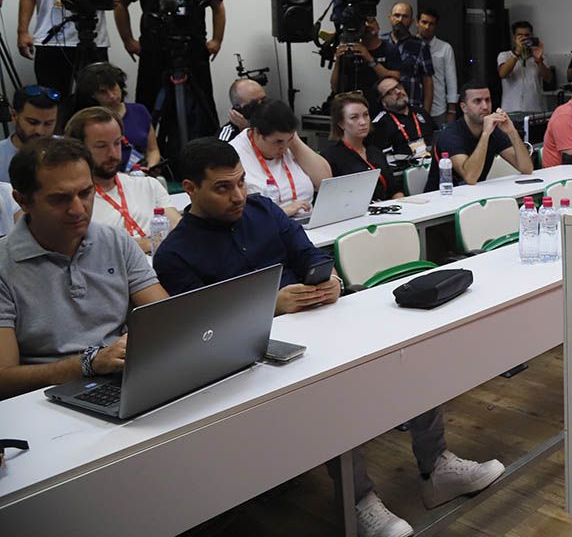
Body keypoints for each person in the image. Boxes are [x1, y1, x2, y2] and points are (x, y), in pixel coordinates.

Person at [154, 138, 504, 536]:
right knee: (336, 391)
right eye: (222, 188)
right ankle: (358, 500)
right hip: (255, 356)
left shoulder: (263, 210)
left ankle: (436, 465)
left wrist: (329, 278)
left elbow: (310, 255)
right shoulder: (175, 254)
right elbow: (204, 328)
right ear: (190, 189)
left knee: (408, 350)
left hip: (316, 317)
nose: (237, 196)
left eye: (240, 183)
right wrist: (273, 305)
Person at [0, 137, 169, 400]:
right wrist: (88, 364)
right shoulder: (4, 265)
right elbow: (4, 377)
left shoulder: (115, 240)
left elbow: (165, 317)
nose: (78, 209)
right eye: (60, 199)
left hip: (119, 377)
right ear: (22, 201)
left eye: (86, 193)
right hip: (43, 398)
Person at [115, 0, 223, 139]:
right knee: (147, 104)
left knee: (203, 107)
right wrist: (127, 40)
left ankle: (204, 155)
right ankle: (146, 156)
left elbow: (218, 6)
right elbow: (120, 4)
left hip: (193, 49)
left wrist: (216, 40)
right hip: (155, 49)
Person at [64, 107, 180, 252]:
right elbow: (91, 250)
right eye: (101, 146)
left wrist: (135, 244)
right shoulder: (74, 201)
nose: (113, 153)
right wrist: (148, 243)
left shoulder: (148, 185)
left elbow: (179, 231)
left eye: (117, 143)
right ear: (79, 149)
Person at [424, 80, 532, 191]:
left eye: (487, 100)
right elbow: (470, 177)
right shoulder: (450, 135)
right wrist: (485, 135)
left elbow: (526, 168)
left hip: (474, 195)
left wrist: (512, 131)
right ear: (464, 107)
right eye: (477, 101)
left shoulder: (494, 131)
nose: (485, 106)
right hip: (441, 200)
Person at [230, 99, 331, 217]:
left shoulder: (291, 145)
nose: (284, 148)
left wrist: (295, 141)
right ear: (256, 133)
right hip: (269, 226)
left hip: (307, 222)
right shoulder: (235, 153)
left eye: (289, 139)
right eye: (278, 142)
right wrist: (282, 212)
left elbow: (325, 182)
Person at [74, 62, 161, 173]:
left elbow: (152, 150)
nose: (111, 95)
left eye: (113, 87)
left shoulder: (140, 110)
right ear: (93, 95)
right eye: (102, 92)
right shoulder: (87, 119)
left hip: (139, 174)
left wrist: (150, 168)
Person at [321, 93, 405, 201]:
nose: (363, 122)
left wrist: (401, 203)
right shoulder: (331, 157)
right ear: (341, 123)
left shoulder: (374, 151)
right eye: (354, 117)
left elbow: (394, 189)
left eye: (366, 115)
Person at [329, 16, 402, 112]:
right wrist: (338, 61)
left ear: (378, 26)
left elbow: (395, 78)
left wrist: (370, 59)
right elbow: (335, 87)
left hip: (382, 108)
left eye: (371, 21)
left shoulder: (389, 49)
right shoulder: (351, 51)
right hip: (355, 108)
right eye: (363, 23)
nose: (367, 25)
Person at [0, 85, 61, 185]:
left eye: (48, 123)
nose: (40, 131)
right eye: (32, 122)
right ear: (14, 115)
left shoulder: (68, 151)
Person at [384, 1, 434, 115]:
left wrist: (426, 113)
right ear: (390, 18)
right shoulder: (380, 42)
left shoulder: (420, 46)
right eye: (397, 15)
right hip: (385, 109)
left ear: (411, 21)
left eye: (405, 16)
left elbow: (428, 81)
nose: (400, 19)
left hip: (412, 108)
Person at [369, 77, 434, 160]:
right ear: (383, 102)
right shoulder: (380, 123)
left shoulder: (420, 112)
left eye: (398, 87)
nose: (398, 92)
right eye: (390, 92)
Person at [497, 21, 551, 116]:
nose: (524, 38)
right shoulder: (504, 55)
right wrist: (517, 52)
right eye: (520, 35)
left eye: (527, 35)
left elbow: (548, 79)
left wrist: (538, 60)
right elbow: (503, 74)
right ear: (514, 38)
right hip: (511, 110)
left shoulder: (540, 56)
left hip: (535, 109)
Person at [418, 7, 458, 126]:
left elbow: (451, 80)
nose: (427, 27)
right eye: (424, 22)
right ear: (417, 22)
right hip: (414, 107)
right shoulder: (409, 46)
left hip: (438, 108)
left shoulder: (445, 48)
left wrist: (452, 110)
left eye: (431, 24)